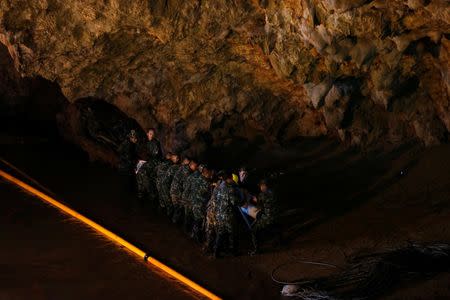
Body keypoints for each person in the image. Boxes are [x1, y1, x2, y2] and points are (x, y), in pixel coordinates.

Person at [214, 171, 240, 257]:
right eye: (231, 178)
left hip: (219, 214)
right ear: (228, 178)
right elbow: (234, 202)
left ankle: (216, 252)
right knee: (232, 233)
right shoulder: (230, 189)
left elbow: (216, 199)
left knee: (220, 233)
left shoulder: (219, 186)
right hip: (228, 215)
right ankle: (233, 252)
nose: (232, 180)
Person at [250, 179, 278, 255]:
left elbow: (258, 202)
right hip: (275, 215)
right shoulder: (273, 191)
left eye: (261, 186)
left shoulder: (262, 194)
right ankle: (279, 240)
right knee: (274, 226)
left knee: (254, 229)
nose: (260, 188)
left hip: (268, 217)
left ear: (264, 186)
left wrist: (255, 199)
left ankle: (257, 249)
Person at [203, 170, 225, 255]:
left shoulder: (217, 185)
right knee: (218, 231)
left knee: (209, 229)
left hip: (210, 210)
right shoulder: (226, 188)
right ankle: (215, 251)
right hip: (216, 212)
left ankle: (207, 246)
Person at [190, 166, 212, 242]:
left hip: (195, 202)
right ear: (205, 172)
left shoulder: (198, 179)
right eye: (209, 172)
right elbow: (206, 195)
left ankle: (193, 234)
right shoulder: (205, 182)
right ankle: (197, 238)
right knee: (199, 221)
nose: (211, 174)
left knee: (197, 220)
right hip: (200, 204)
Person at [170, 157, 191, 224]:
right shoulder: (186, 169)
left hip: (173, 190)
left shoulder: (180, 167)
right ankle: (175, 223)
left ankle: (174, 222)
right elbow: (186, 183)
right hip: (177, 191)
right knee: (178, 208)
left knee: (177, 208)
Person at [181, 160, 200, 232]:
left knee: (187, 215)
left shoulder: (190, 176)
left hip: (186, 197)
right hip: (189, 198)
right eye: (195, 165)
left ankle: (185, 229)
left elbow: (185, 186)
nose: (196, 167)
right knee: (190, 216)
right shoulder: (194, 176)